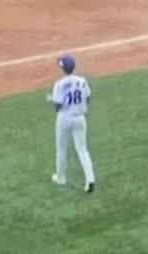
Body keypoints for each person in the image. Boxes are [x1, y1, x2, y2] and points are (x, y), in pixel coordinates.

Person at [47, 55, 96, 193]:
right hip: (80, 118)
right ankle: (90, 179)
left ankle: (61, 177)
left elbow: (57, 106)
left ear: (63, 69)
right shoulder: (82, 81)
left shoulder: (59, 84)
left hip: (64, 118)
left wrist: (51, 100)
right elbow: (88, 98)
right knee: (82, 149)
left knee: (62, 148)